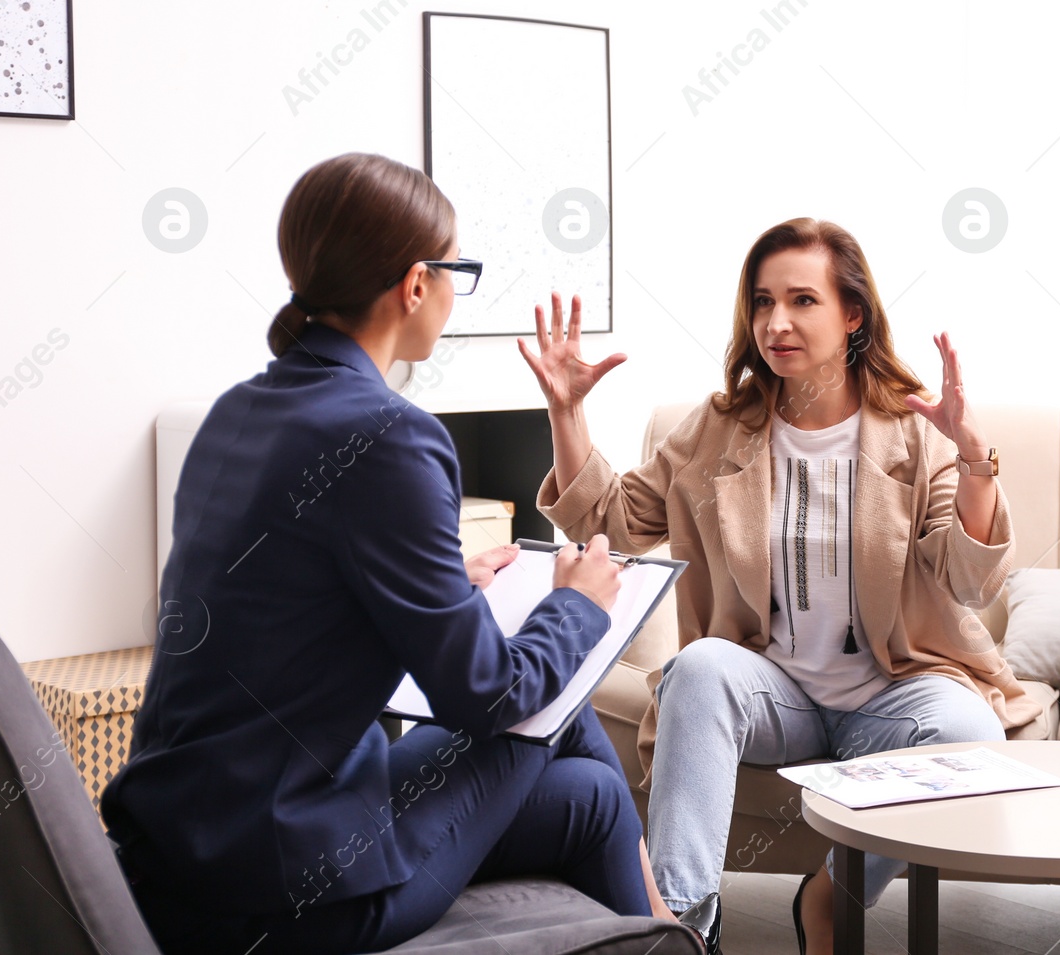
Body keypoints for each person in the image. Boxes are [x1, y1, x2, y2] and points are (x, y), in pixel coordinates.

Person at [100, 153, 685, 954]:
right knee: (569, 701)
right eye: (456, 271)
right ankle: (678, 934)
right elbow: (482, 696)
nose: (452, 292)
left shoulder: (238, 411)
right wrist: (576, 604)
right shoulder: (391, 433)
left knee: (585, 786)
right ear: (417, 284)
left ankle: (670, 933)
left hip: (185, 855)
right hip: (287, 889)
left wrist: (454, 584)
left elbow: (295, 607)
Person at [520, 217, 1042, 954]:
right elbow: (611, 520)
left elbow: (969, 574)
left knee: (972, 732)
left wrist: (976, 462)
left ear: (852, 314)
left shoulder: (915, 431)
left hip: (895, 692)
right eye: (763, 302)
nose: (777, 322)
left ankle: (829, 897)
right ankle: (681, 927)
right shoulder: (718, 426)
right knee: (696, 668)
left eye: (803, 300)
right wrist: (567, 411)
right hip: (775, 695)